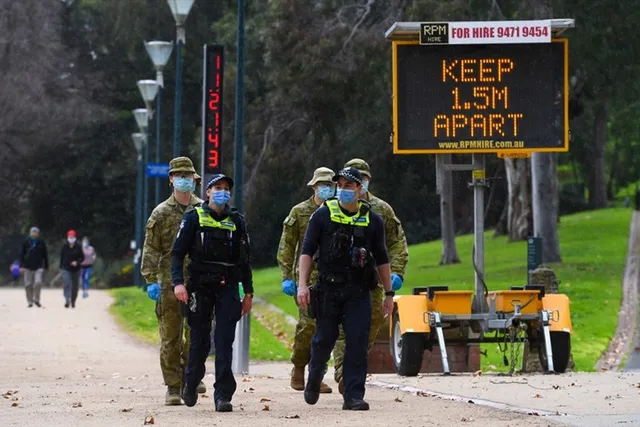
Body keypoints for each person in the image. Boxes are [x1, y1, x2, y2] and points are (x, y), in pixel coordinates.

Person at [297, 167, 394, 411]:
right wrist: (302, 285)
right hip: (328, 289)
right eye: (340, 185)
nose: (343, 190)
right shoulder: (322, 216)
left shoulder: (373, 220)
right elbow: (307, 251)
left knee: (357, 343)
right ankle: (314, 378)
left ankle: (353, 395)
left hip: (359, 291)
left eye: (348, 186)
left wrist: (389, 293)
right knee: (323, 340)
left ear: (360, 189)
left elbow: (382, 258)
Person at [171, 173, 254, 412]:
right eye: (217, 187)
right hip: (200, 286)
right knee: (200, 341)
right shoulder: (194, 218)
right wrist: (179, 284)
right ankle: (191, 380)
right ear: (207, 192)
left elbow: (245, 260)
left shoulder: (237, 220)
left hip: (228, 285)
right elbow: (177, 255)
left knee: (224, 340)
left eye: (226, 188)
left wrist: (248, 293)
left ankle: (223, 395)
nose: (222, 191)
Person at [332, 158, 409, 394]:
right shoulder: (331, 207)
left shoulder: (382, 210)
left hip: (373, 280)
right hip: (340, 278)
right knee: (342, 329)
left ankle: (353, 369)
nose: (360, 183)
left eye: (364, 179)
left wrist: (395, 273)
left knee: (368, 327)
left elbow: (397, 243)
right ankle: (343, 372)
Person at [141, 156, 207, 405]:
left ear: (195, 180)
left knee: (197, 335)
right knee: (170, 337)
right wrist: (150, 279)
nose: (184, 180)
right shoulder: (161, 213)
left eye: (188, 176)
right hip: (169, 283)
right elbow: (152, 248)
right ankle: (173, 385)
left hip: (199, 282)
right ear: (171, 180)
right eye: (179, 176)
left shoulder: (203, 210)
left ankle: (191, 376)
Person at [277, 167, 336, 393]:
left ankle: (316, 374)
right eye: (323, 185)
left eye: (331, 185)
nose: (327, 189)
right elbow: (286, 246)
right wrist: (287, 277)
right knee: (308, 326)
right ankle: (299, 366)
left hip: (332, 280)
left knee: (327, 329)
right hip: (306, 280)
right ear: (313, 187)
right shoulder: (299, 212)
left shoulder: (338, 211)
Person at [19, 226, 49, 307]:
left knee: (38, 282)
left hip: (38, 266)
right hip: (27, 266)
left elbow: (45, 255)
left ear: (38, 233)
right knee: (28, 284)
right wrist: (21, 266)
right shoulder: (26, 242)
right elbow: (21, 255)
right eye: (33, 232)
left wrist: (46, 266)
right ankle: (30, 301)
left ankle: (36, 299)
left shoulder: (41, 242)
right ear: (30, 233)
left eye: (36, 232)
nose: (34, 233)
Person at [60, 230, 85, 308]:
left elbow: (82, 257)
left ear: (75, 237)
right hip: (66, 268)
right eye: (70, 237)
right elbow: (62, 257)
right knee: (67, 283)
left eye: (73, 237)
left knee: (75, 286)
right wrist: (61, 267)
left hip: (76, 269)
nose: (71, 238)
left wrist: (77, 262)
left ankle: (73, 300)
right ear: (68, 237)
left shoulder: (78, 246)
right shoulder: (64, 246)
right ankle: (67, 299)